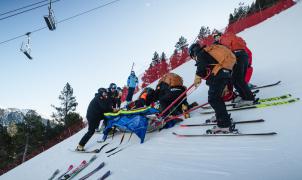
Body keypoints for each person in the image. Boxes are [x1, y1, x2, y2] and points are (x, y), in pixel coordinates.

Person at [189, 42, 236, 133]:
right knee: (216, 98)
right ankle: (221, 117)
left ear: (192, 53)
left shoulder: (200, 53)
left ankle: (224, 125)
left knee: (214, 99)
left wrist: (198, 76)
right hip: (226, 72)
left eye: (192, 57)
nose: (194, 59)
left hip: (219, 75)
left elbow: (201, 68)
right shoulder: (208, 52)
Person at [219, 32, 256, 107]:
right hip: (244, 56)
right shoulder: (234, 37)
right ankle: (244, 96)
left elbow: (225, 51)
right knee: (236, 79)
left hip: (237, 56)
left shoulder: (223, 39)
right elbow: (244, 43)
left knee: (238, 79)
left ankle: (249, 98)